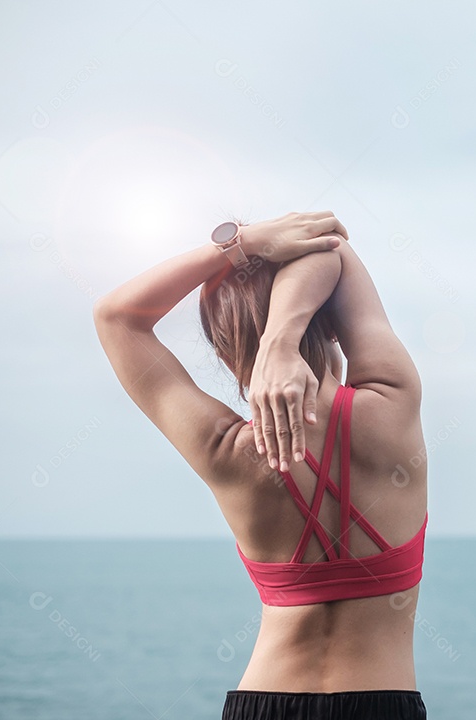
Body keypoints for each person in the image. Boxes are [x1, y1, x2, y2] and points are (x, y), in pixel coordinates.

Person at [93, 211, 429, 720]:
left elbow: (116, 316)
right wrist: (284, 338)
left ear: (226, 350)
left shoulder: (224, 450)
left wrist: (240, 245)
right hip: (385, 702)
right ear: (333, 323)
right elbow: (331, 244)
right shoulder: (392, 404)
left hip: (263, 703)